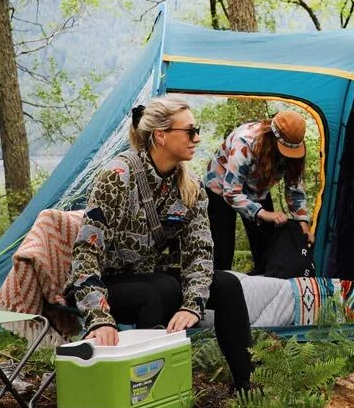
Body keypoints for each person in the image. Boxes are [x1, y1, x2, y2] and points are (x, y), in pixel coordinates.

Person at [67, 96, 255, 392]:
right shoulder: (116, 178)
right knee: (159, 289)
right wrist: (99, 318)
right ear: (161, 135)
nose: (198, 138)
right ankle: (151, 393)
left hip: (151, 280)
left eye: (198, 130)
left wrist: (193, 305)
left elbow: (200, 254)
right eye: (190, 131)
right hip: (107, 285)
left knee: (228, 285)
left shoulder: (191, 187)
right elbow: (86, 254)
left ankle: (246, 387)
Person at [204, 109, 311, 274]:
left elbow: (295, 188)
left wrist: (303, 223)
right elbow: (231, 193)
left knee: (266, 251)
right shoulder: (245, 142)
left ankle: (260, 288)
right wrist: (264, 214)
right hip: (221, 188)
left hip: (257, 189)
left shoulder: (294, 145)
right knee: (222, 251)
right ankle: (220, 289)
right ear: (272, 137)